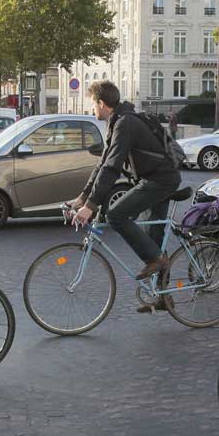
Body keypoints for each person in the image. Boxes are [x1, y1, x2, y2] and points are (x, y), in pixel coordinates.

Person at [70, 80, 183, 290]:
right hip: (153, 178)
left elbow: (112, 168)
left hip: (161, 180)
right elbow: (103, 163)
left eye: (92, 104)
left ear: (102, 103)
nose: (91, 108)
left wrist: (91, 206)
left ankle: (157, 261)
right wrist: (83, 198)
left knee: (115, 215)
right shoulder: (118, 121)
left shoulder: (125, 123)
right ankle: (162, 295)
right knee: (153, 241)